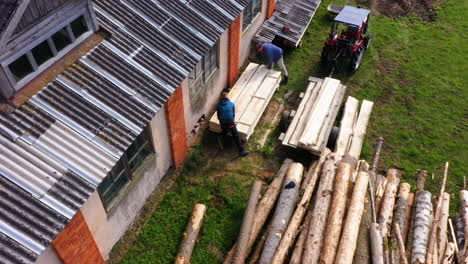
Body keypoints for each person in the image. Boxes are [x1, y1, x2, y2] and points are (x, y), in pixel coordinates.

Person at [217, 90, 249, 157]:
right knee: (235, 135)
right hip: (230, 122)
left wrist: (222, 123)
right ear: (227, 97)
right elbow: (233, 115)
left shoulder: (218, 106)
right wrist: (232, 123)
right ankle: (241, 151)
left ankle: (225, 142)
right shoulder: (231, 104)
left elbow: (218, 116)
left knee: (224, 131)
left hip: (222, 123)